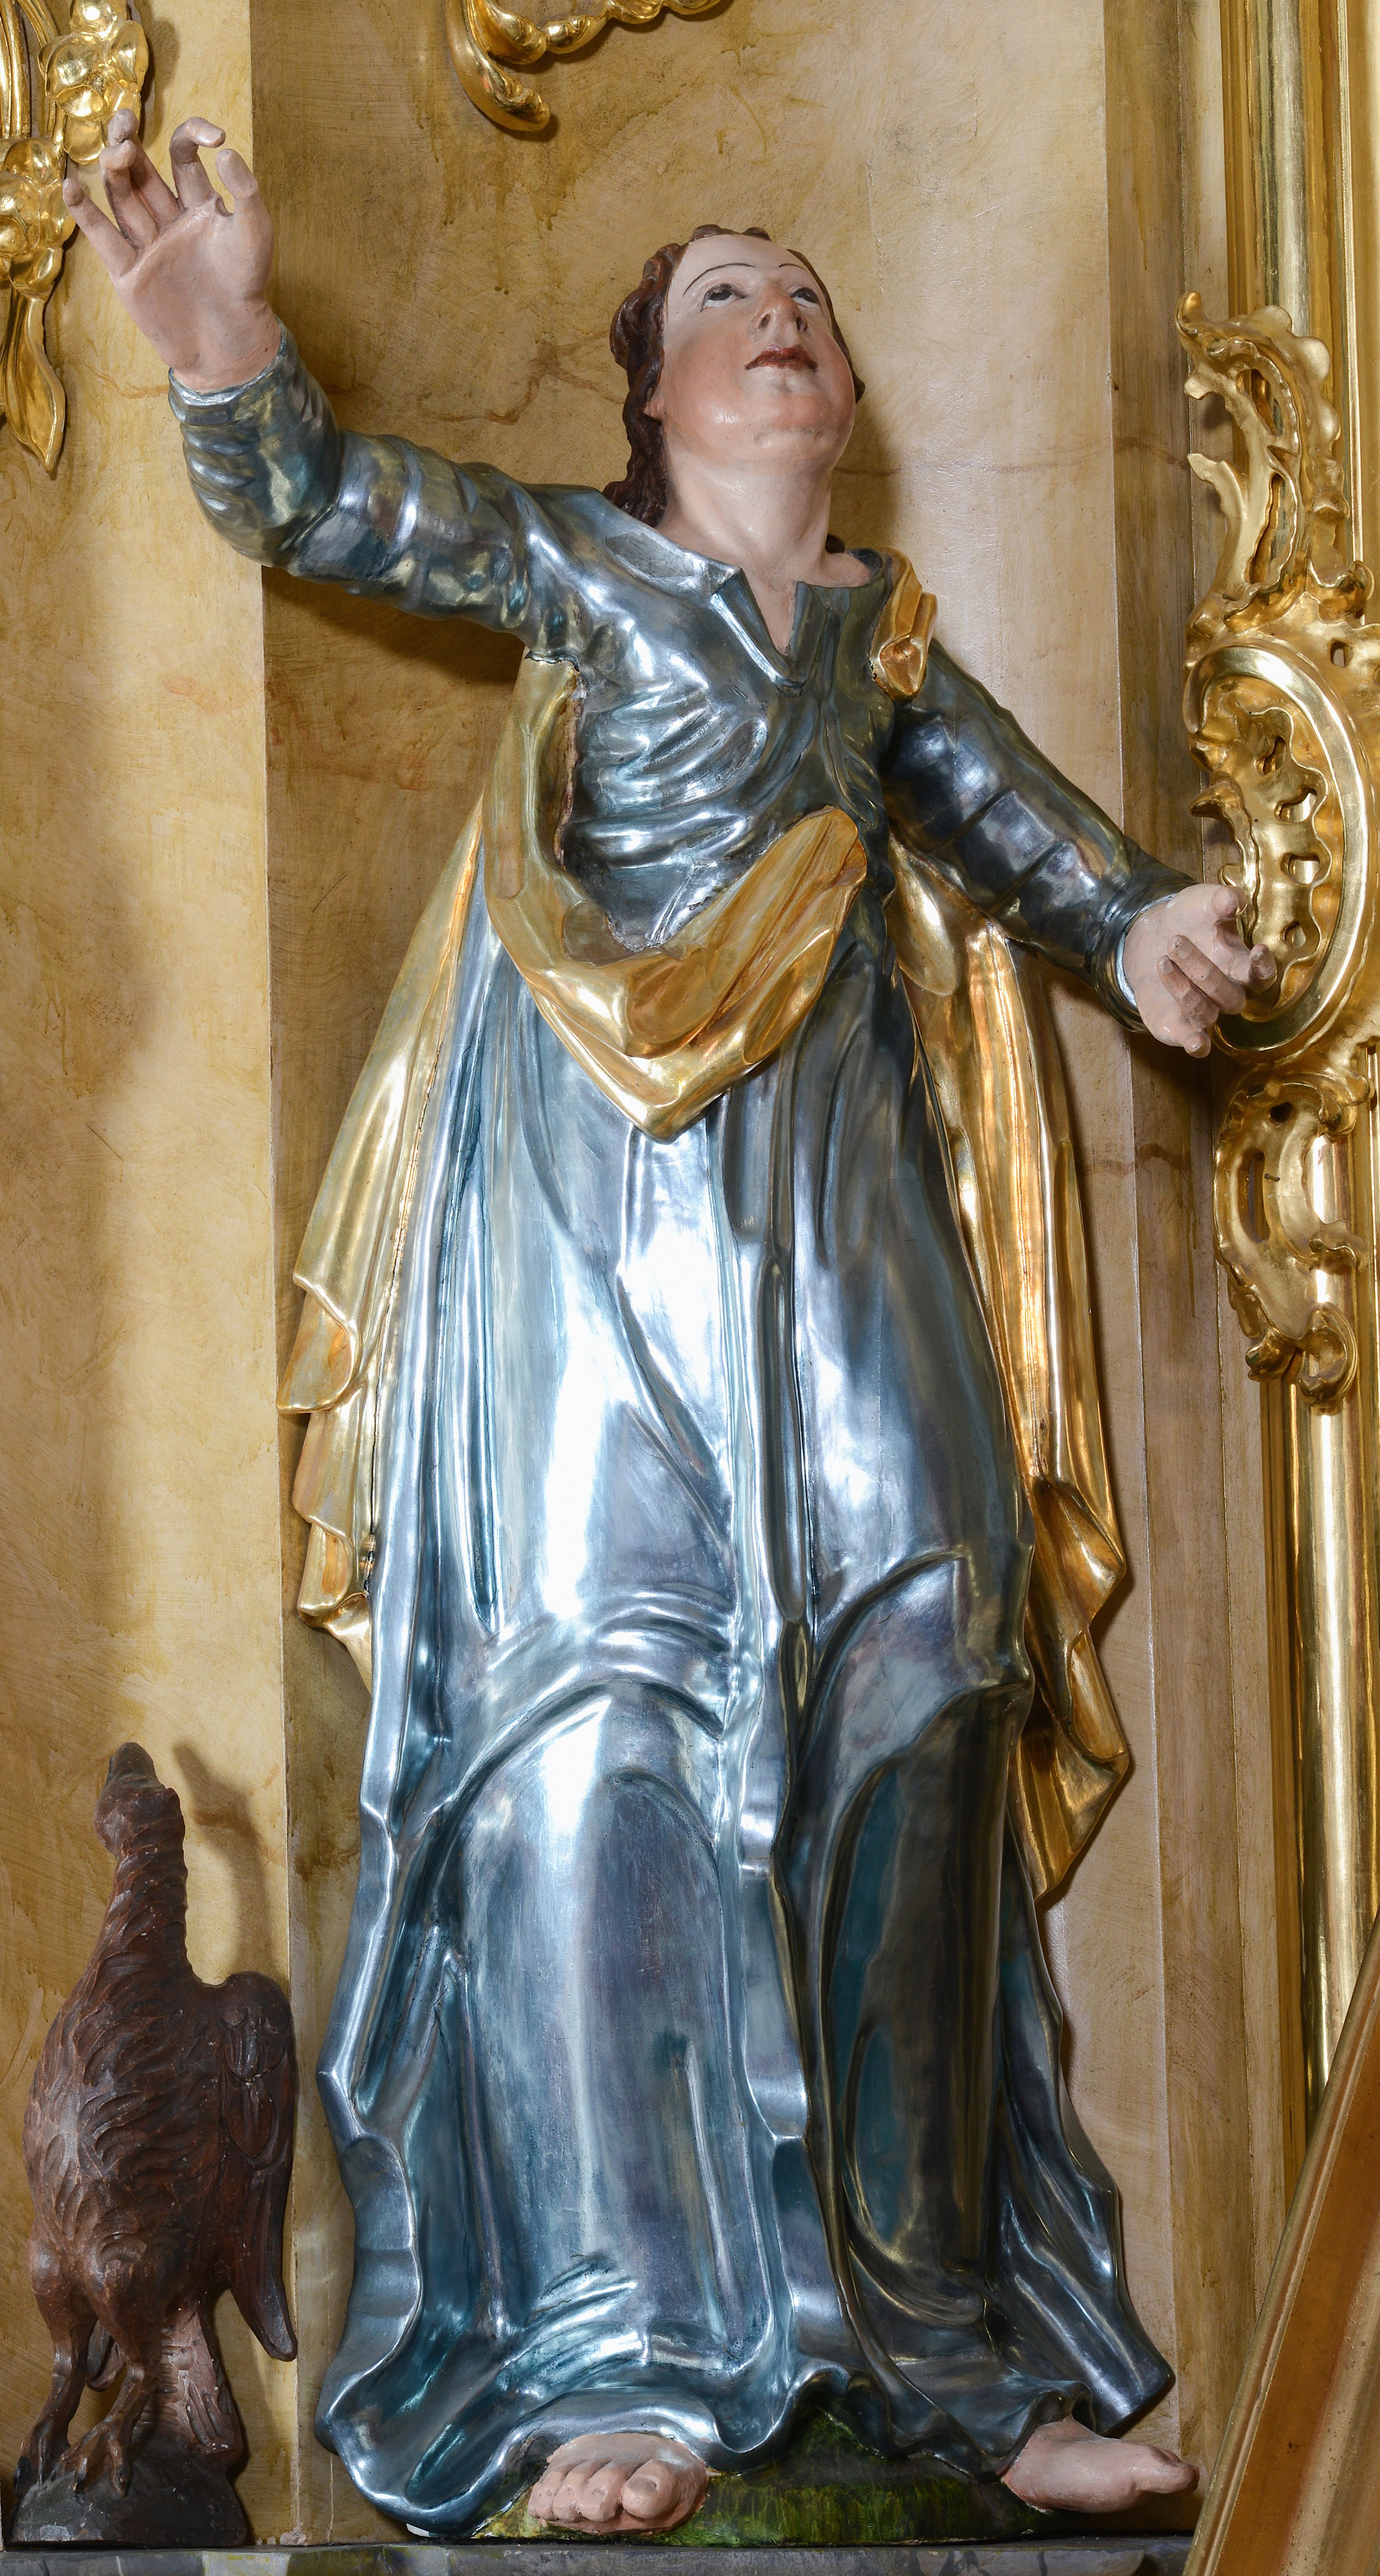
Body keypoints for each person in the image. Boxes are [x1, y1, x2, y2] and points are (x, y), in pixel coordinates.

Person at [66, 110, 1272, 2536]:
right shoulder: (586, 572)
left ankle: (946, 2359)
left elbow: (1009, 815)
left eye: (806, 291)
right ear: (655, 399)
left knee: (927, 1666)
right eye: (728, 294)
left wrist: (1141, 921)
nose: (781, 314)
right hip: (591, 1249)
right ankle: (615, 2351)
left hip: (844, 1218)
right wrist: (226, 358)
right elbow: (344, 509)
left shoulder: (878, 636)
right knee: (602, 1736)